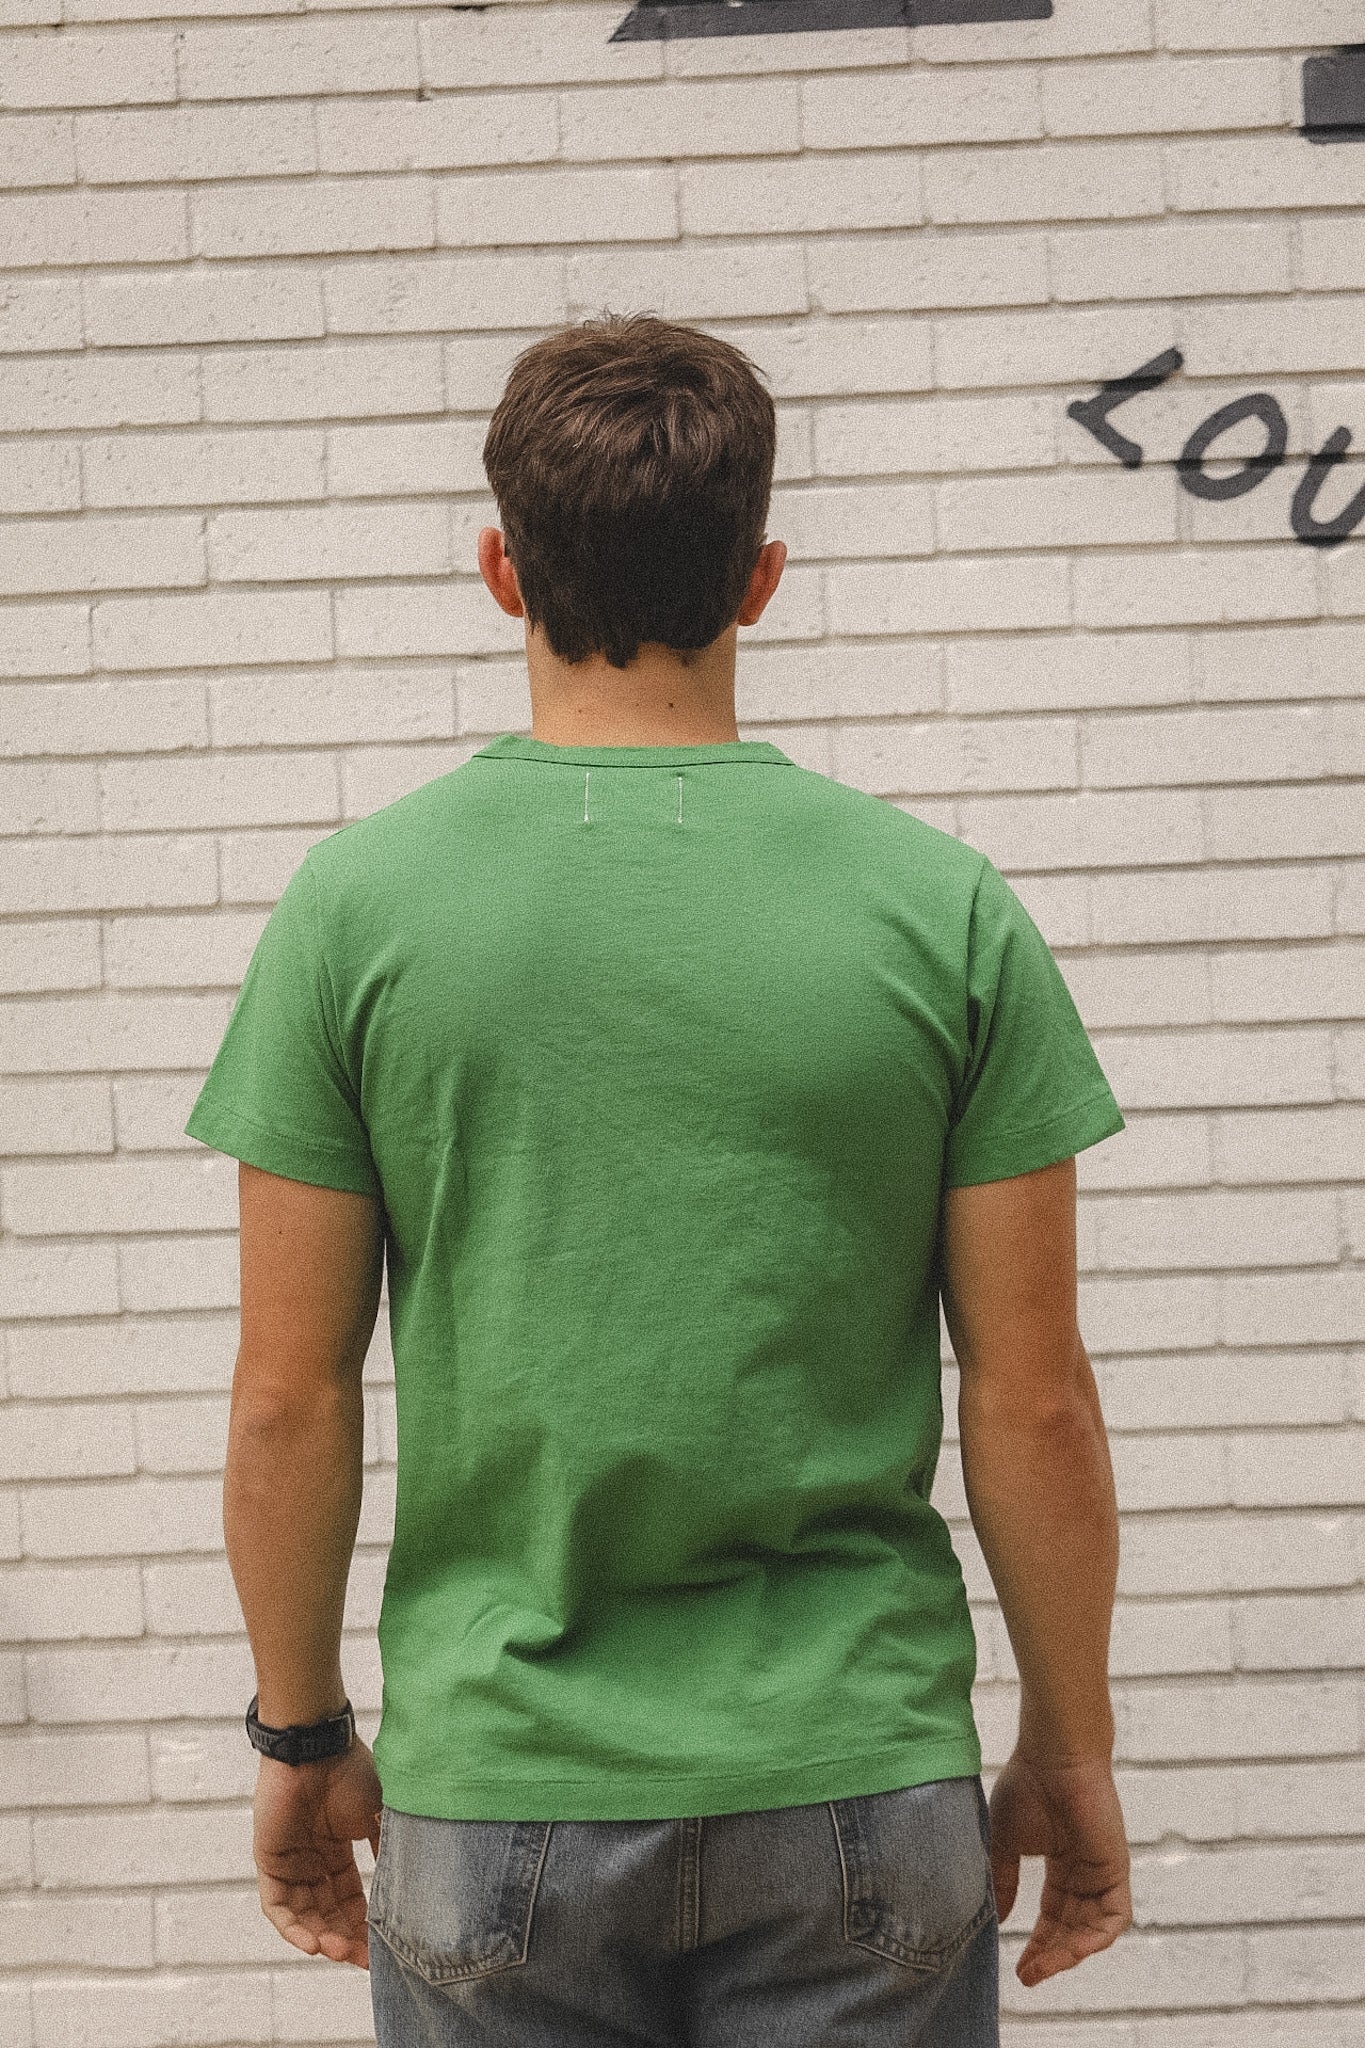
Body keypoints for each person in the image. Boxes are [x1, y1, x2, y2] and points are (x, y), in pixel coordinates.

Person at [185, 310, 1133, 2047]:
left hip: (499, 1787)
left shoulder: (355, 912)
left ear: (501, 568)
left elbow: (286, 1397)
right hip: (858, 1775)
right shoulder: (940, 908)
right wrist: (1068, 1751)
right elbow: (1035, 1399)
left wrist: (300, 1732)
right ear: (759, 575)